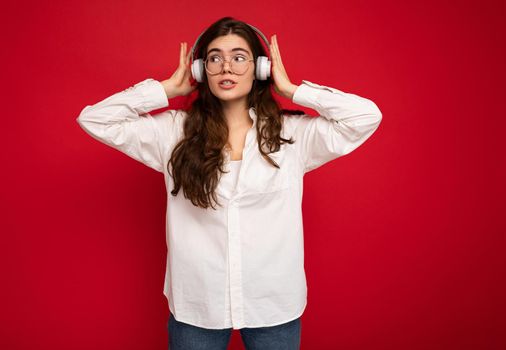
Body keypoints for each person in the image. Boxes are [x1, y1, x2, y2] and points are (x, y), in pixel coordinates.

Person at [77, 16, 382, 350]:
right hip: (198, 305)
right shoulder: (171, 133)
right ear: (200, 70)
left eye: (239, 57)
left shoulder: (293, 135)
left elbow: (366, 116)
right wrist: (164, 89)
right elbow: (94, 118)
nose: (226, 67)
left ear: (261, 68)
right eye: (214, 58)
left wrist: (293, 90)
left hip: (273, 303)